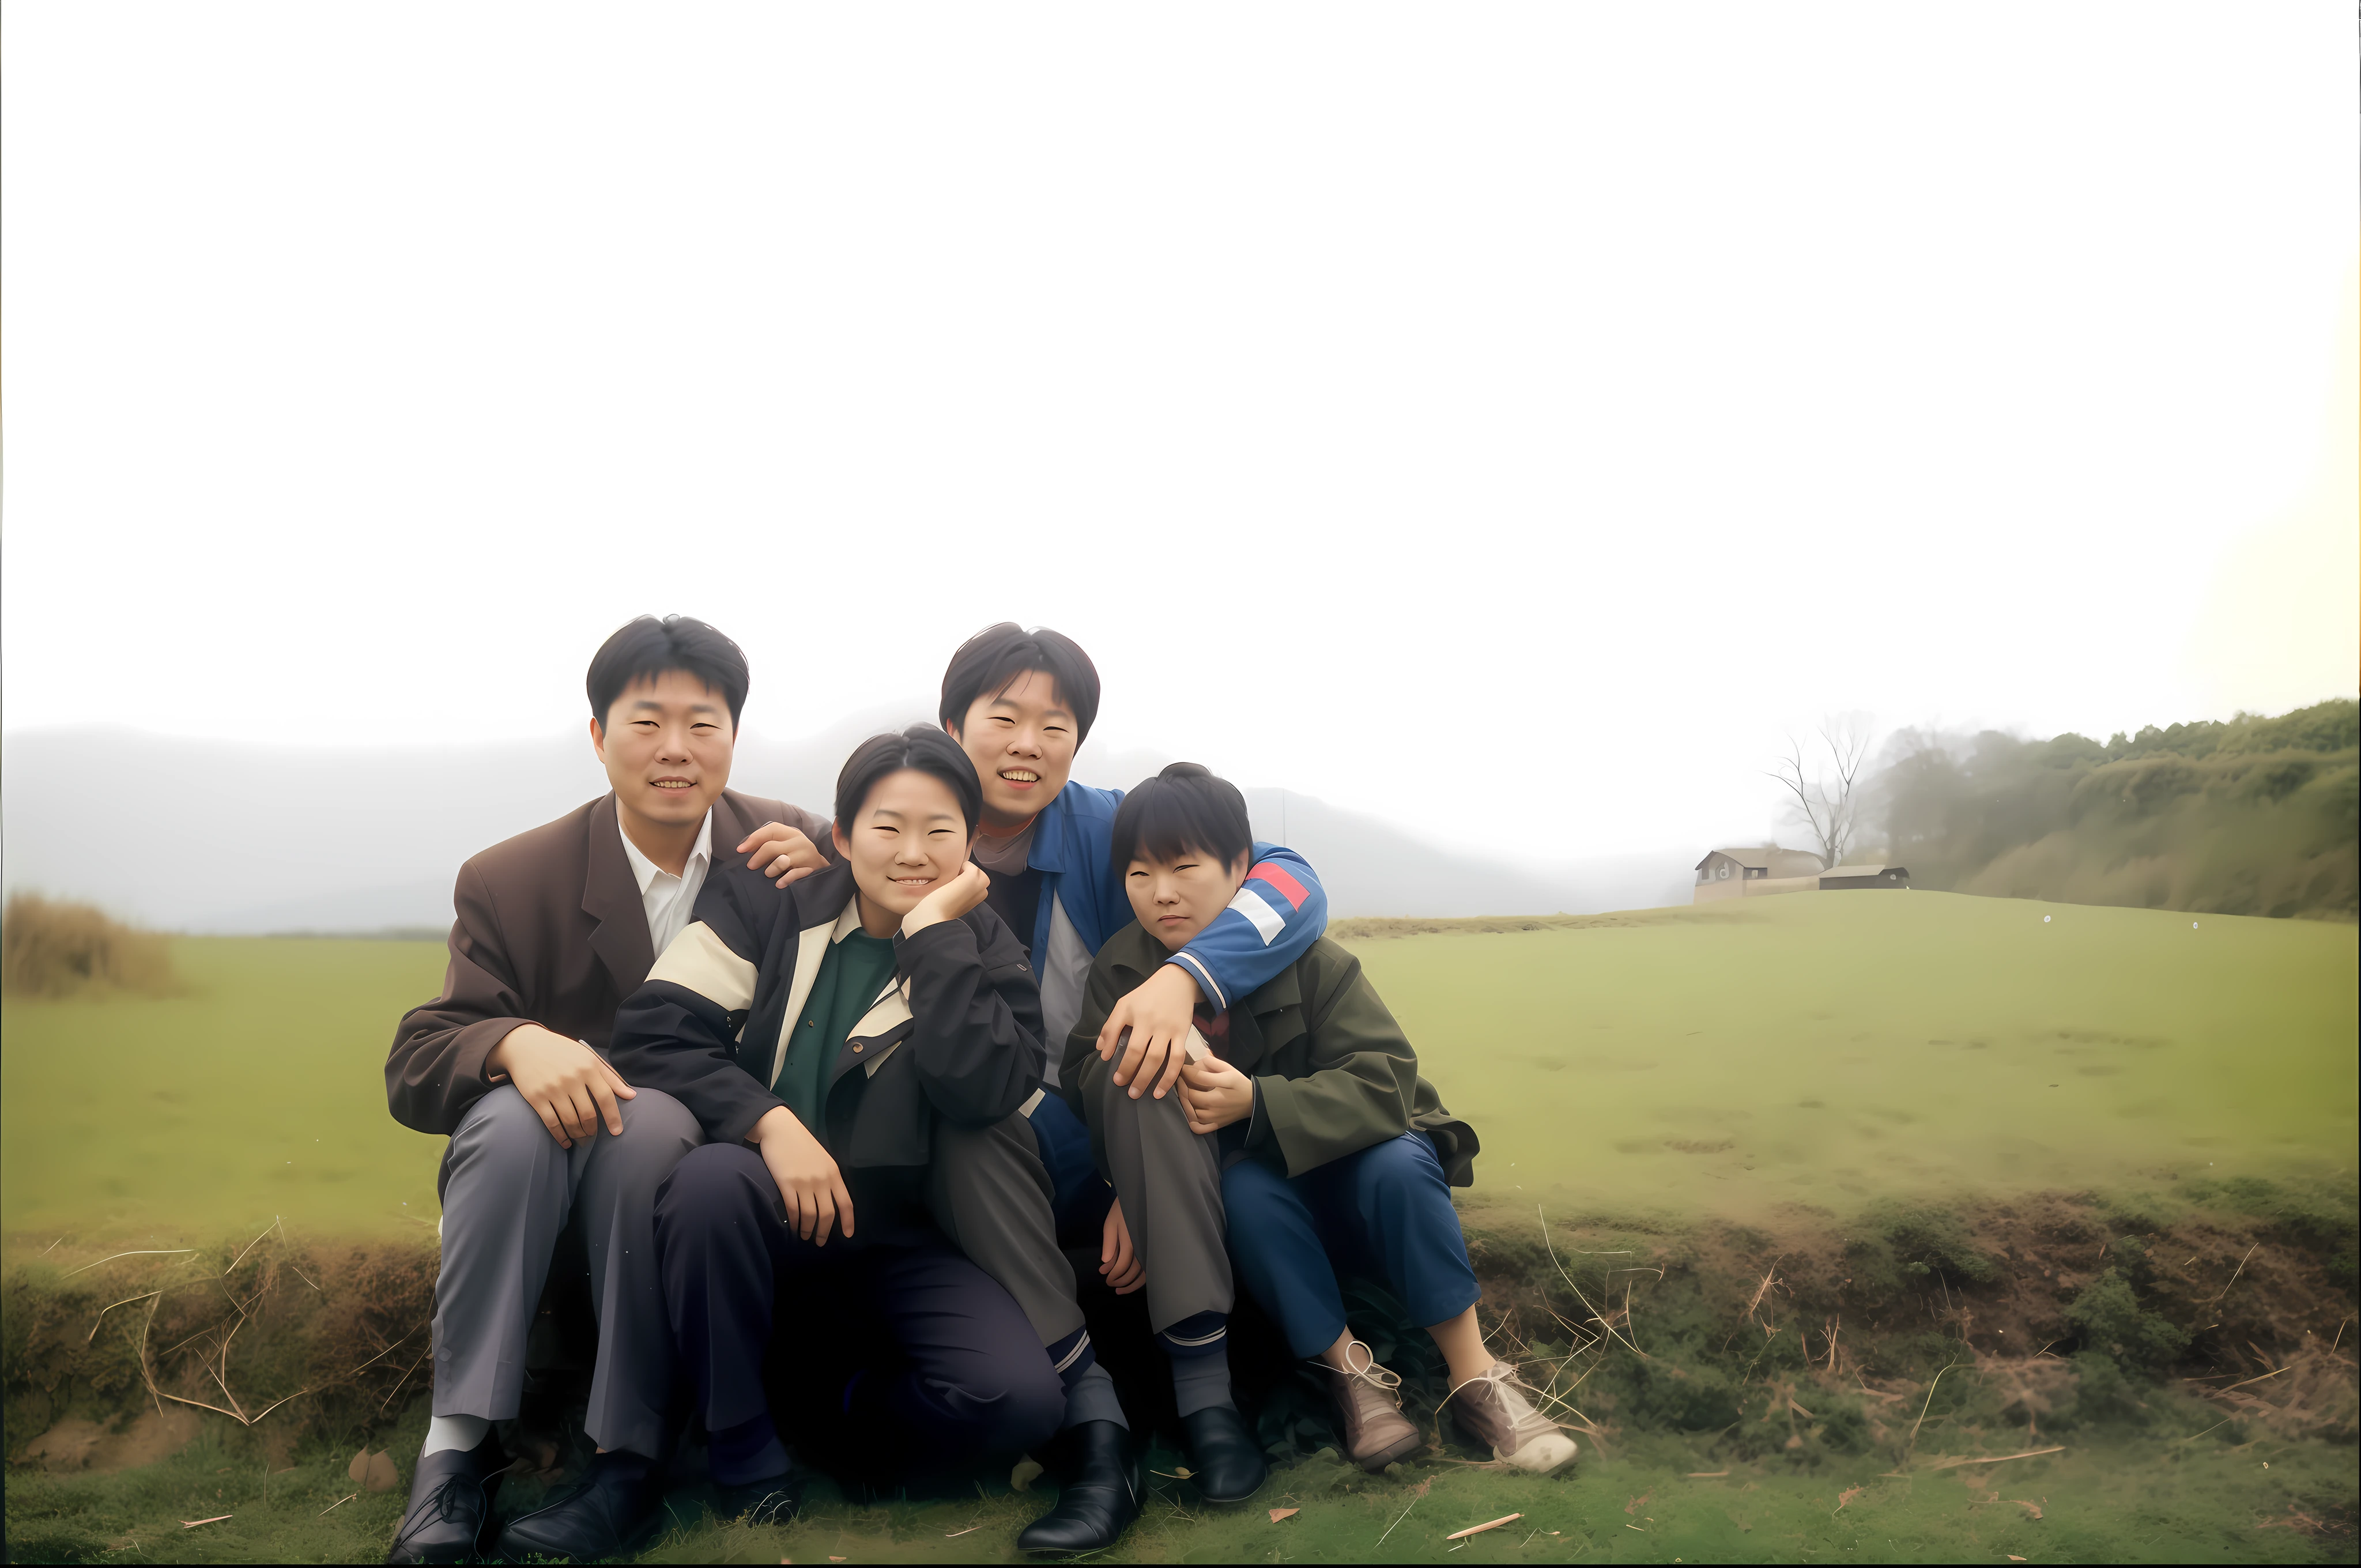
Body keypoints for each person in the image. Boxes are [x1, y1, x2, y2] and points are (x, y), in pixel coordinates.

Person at [739, 625, 1334, 1506]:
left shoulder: (1104, 832)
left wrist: (1184, 979)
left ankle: (1207, 1411)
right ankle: (1088, 1419)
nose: (1029, 745)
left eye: (1057, 726)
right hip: (957, 1133)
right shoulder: (897, 837)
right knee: (971, 1117)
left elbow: (1287, 877)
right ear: (952, 723)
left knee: (1141, 1051)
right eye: (1004, 718)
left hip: (1088, 1126)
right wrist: (815, 848)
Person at [382, 615, 833, 1566]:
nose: (676, 749)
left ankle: (624, 1458)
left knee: (647, 1122)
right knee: (509, 1124)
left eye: (703, 723)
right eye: (646, 722)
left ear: (733, 736)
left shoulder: (799, 848)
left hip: (711, 1185)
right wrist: (515, 1040)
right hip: (545, 1171)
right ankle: (453, 1454)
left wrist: (837, 881)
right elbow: (420, 1060)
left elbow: (914, 888)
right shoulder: (512, 879)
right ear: (598, 736)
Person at [609, 727, 1079, 1529]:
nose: (912, 853)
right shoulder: (768, 902)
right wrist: (768, 1123)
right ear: (843, 835)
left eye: (940, 832)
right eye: (888, 827)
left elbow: (987, 1091)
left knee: (1020, 1403)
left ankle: (826, 1421)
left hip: (906, 1234)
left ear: (970, 844)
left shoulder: (985, 944)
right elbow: (655, 1033)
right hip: (765, 1208)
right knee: (708, 1183)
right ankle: (741, 1451)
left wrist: (935, 936)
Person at [1065, 763, 1580, 1477]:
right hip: (1253, 1186)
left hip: (1359, 1160)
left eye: (1185, 866)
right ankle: (1353, 1376)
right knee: (1246, 1189)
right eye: (1139, 872)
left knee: (1400, 1160)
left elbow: (1386, 1080)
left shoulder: (1309, 958)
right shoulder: (1121, 974)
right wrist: (1130, 1179)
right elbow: (1087, 1080)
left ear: (1241, 867)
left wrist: (1257, 1102)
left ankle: (1476, 1374)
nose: (1162, 893)